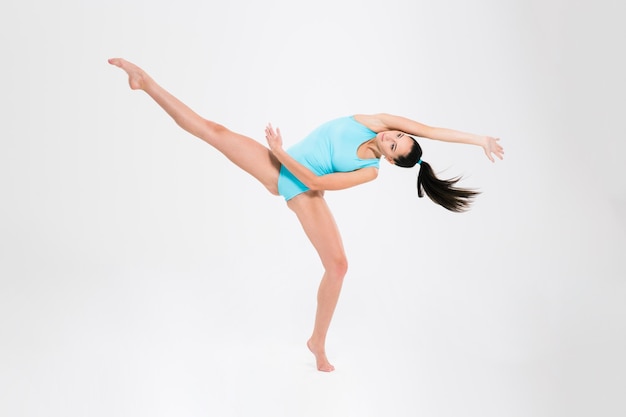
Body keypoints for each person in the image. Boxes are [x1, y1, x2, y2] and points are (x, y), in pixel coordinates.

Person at [108, 58, 504, 372]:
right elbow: (431, 130)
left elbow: (317, 181)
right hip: (279, 166)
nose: (392, 138)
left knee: (338, 266)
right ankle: (147, 83)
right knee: (214, 131)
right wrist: (478, 139)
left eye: (395, 145)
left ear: (392, 160)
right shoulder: (376, 121)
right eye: (399, 136)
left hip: (299, 183)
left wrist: (280, 153)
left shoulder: (368, 171)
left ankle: (317, 341)